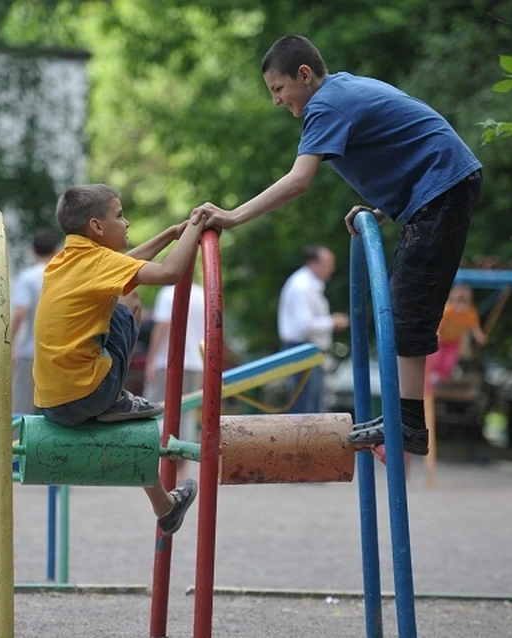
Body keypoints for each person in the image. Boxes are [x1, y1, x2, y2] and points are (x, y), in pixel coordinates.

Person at [190, 34, 482, 459]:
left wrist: (232, 216)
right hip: (439, 186)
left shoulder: (325, 105)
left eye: (278, 89)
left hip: (444, 188)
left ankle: (410, 424)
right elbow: (402, 139)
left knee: (408, 311)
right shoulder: (344, 89)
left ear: (304, 75)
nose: (277, 101)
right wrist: (383, 207)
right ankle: (406, 418)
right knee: (402, 308)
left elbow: (298, 181)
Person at [33, 183, 207, 536]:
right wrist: (194, 229)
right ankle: (114, 395)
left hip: (51, 403)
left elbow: (124, 265)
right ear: (97, 227)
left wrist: (169, 235)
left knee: (118, 297)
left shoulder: (65, 260)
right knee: (130, 302)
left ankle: (166, 507)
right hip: (89, 393)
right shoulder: (96, 262)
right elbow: (169, 274)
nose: (126, 223)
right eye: (119, 215)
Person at [277, 245, 349, 414]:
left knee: (311, 405)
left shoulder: (307, 284)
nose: (331, 269)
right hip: (303, 350)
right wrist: (332, 322)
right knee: (306, 409)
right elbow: (304, 325)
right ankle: (302, 441)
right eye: (328, 264)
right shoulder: (302, 286)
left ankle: (306, 440)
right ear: (313, 263)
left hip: (307, 350)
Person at [144, 281, 206, 443]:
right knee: (187, 413)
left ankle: (156, 455)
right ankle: (183, 464)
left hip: (168, 362)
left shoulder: (168, 293)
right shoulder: (203, 295)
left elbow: (163, 326)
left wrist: (151, 360)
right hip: (196, 363)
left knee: (155, 409)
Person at [10, 227, 61, 415]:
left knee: (22, 407)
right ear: (56, 249)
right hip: (60, 352)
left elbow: (20, 313)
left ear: (32, 249)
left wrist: (9, 343)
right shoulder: (62, 275)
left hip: (31, 351)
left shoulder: (28, 277)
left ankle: (13, 443)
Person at [426, 284, 487, 388]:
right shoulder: (447, 311)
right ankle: (430, 376)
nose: (459, 306)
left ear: (469, 303)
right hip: (441, 341)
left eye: (463, 303)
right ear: (451, 301)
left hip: (453, 343)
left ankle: (439, 379)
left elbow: (475, 328)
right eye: (457, 302)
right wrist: (437, 336)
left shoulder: (470, 314)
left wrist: (479, 337)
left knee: (448, 364)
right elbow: (438, 327)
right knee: (435, 359)